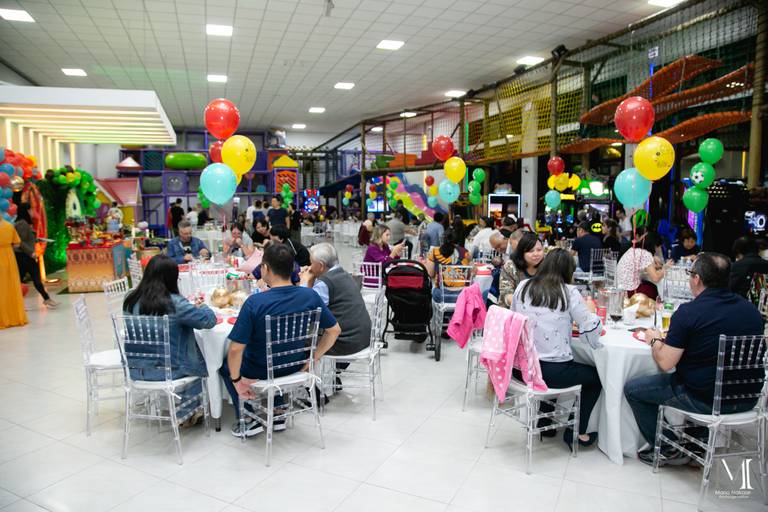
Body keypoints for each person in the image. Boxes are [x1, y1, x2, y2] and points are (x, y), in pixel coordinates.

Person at [624, 253, 765, 466]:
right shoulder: (751, 311)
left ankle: (668, 446)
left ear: (697, 278)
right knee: (705, 373)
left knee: (634, 389)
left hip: (706, 399)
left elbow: (665, 363)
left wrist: (653, 340)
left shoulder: (689, 312)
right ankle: (698, 443)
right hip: (748, 398)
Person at [221, 243, 341, 437]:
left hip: (259, 369)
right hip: (295, 365)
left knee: (225, 366)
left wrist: (237, 381)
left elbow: (235, 350)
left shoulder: (254, 302)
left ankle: (249, 419)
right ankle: (278, 413)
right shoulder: (310, 295)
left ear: (266, 269)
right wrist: (313, 358)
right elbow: (334, 330)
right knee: (276, 354)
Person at [511, 248, 602, 449]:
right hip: (549, 373)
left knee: (551, 360)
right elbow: (591, 328)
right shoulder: (569, 292)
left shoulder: (523, 286)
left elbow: (515, 320)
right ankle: (576, 432)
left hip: (521, 369)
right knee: (594, 377)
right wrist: (593, 312)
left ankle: (545, 422)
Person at [122, 255, 216, 425]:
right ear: (172, 278)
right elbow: (208, 321)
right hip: (169, 371)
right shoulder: (175, 303)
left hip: (137, 369)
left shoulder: (130, 299)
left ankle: (185, 409)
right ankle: (187, 412)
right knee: (195, 357)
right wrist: (203, 306)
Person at [300, 243, 371, 359]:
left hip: (346, 343)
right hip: (363, 337)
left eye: (311, 263)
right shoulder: (344, 274)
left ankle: (310, 374)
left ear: (321, 266)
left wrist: (304, 282)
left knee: (296, 343)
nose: (309, 267)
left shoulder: (325, 283)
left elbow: (305, 311)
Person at [14, 204, 57, 308]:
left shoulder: (22, 223)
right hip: (25, 256)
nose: (33, 211)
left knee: (22, 280)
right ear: (26, 211)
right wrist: (31, 253)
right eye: (31, 209)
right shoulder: (22, 224)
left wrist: (36, 240)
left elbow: (25, 240)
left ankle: (45, 299)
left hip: (23, 256)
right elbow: (20, 242)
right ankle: (47, 299)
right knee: (35, 278)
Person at [616, 229, 668, 299]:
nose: (659, 249)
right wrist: (665, 268)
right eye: (659, 246)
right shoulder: (646, 254)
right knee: (653, 289)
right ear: (655, 246)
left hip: (620, 288)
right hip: (630, 291)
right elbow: (655, 278)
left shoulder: (634, 249)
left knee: (649, 285)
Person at [424, 229, 472, 304]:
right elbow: (469, 275)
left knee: (433, 289)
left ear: (443, 239)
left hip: (442, 295)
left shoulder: (435, 252)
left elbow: (430, 274)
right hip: (462, 295)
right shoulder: (466, 252)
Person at [499, 231, 544, 307]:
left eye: (539, 250)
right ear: (521, 253)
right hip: (515, 310)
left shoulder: (547, 264)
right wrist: (527, 306)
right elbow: (506, 294)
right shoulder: (511, 266)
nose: (536, 254)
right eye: (531, 251)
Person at [0, 215, 27, 329]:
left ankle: (3, 318)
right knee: (12, 286)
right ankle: (15, 316)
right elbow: (16, 243)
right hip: (9, 257)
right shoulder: (9, 226)